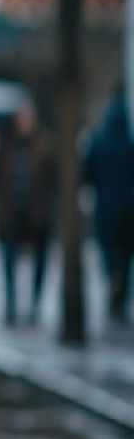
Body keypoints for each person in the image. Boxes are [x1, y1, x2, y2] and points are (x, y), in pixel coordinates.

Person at [0, 106, 55, 327]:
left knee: (40, 261)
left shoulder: (43, 146)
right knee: (9, 260)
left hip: (37, 214)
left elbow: (54, 178)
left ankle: (35, 304)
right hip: (11, 214)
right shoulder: (5, 147)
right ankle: (11, 304)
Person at [84, 87, 134, 324]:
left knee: (109, 251)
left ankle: (113, 278)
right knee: (126, 255)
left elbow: (88, 174)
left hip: (105, 209)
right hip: (129, 210)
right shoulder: (130, 144)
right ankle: (120, 293)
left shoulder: (99, 142)